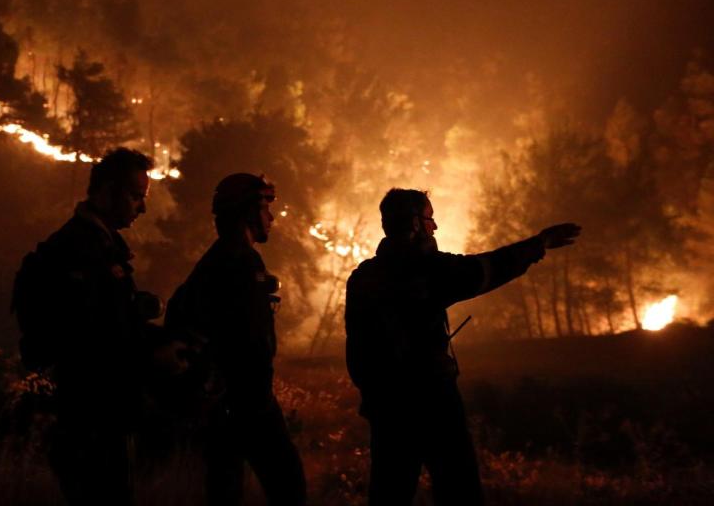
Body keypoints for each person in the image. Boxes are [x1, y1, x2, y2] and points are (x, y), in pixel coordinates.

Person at [345, 188, 580, 505]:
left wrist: (376, 396)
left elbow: (357, 354)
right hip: (433, 402)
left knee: (389, 493)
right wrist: (539, 244)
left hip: (385, 408)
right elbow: (487, 269)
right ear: (415, 223)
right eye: (430, 219)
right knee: (460, 490)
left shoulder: (362, 278)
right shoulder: (429, 270)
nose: (435, 227)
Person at [16, 147, 164, 506]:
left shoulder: (102, 245)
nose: (141, 208)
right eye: (135, 196)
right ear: (106, 191)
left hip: (101, 415)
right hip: (91, 418)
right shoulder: (79, 251)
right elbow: (100, 339)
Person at [165, 173, 307, 506]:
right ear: (246, 211)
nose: (270, 218)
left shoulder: (215, 261)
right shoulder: (240, 262)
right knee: (289, 487)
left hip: (221, 402)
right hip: (246, 400)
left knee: (225, 490)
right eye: (265, 208)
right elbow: (248, 341)